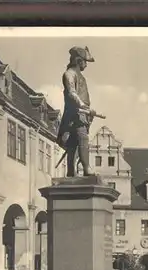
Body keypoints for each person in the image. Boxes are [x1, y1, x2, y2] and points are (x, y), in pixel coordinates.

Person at [56, 46, 97, 177]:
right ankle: (85, 168)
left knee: (74, 142)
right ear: (79, 61)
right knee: (81, 138)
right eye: (85, 61)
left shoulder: (80, 76)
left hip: (82, 114)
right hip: (74, 113)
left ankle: (71, 171)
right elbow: (71, 93)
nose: (86, 64)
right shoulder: (69, 74)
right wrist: (83, 106)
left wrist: (87, 110)